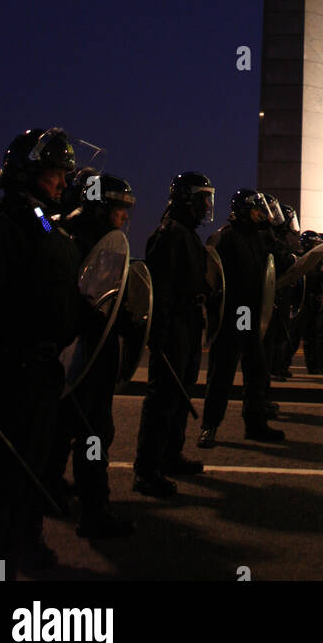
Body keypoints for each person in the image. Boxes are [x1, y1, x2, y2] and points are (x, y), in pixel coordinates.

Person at [0, 128, 88, 572]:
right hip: (7, 378)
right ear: (28, 170)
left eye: (64, 173)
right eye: (54, 171)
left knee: (30, 472)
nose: (62, 181)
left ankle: (25, 543)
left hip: (41, 373)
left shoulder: (46, 225)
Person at [46, 169, 137, 539]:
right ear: (100, 208)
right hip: (85, 355)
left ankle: (49, 489)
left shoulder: (70, 237)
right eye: (119, 208)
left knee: (64, 426)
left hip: (76, 356)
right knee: (95, 434)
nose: (126, 216)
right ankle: (94, 510)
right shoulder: (80, 245)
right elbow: (83, 305)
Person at [134, 172, 215, 496]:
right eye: (202, 198)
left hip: (189, 322)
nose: (207, 205)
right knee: (163, 398)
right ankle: (147, 470)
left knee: (181, 394)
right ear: (186, 198)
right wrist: (161, 336)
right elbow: (162, 289)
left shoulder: (188, 234)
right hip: (175, 326)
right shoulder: (168, 234)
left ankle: (171, 455)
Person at [198, 189, 285, 451]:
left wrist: (271, 232)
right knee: (222, 374)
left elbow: (276, 263)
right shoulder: (226, 237)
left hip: (252, 315)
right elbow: (212, 277)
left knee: (257, 372)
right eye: (258, 210)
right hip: (232, 314)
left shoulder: (259, 238)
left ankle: (255, 424)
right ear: (245, 210)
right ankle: (209, 427)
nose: (262, 214)